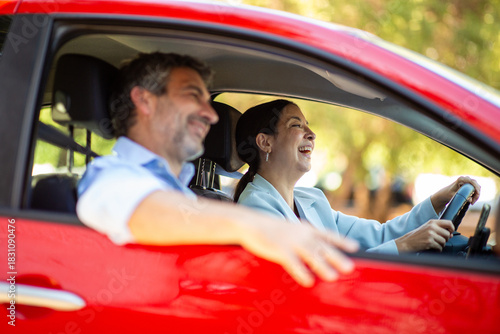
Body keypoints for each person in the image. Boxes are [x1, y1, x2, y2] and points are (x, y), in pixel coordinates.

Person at [76, 52, 359, 288]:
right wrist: (258, 226)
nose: (211, 115)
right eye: (192, 95)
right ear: (145, 100)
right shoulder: (110, 177)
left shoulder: (181, 193)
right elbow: (142, 208)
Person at [234, 99, 481, 254]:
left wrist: (437, 201)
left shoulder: (313, 200)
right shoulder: (256, 207)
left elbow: (380, 235)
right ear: (265, 142)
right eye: (296, 125)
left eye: (308, 125)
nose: (311, 134)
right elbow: (315, 274)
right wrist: (404, 245)